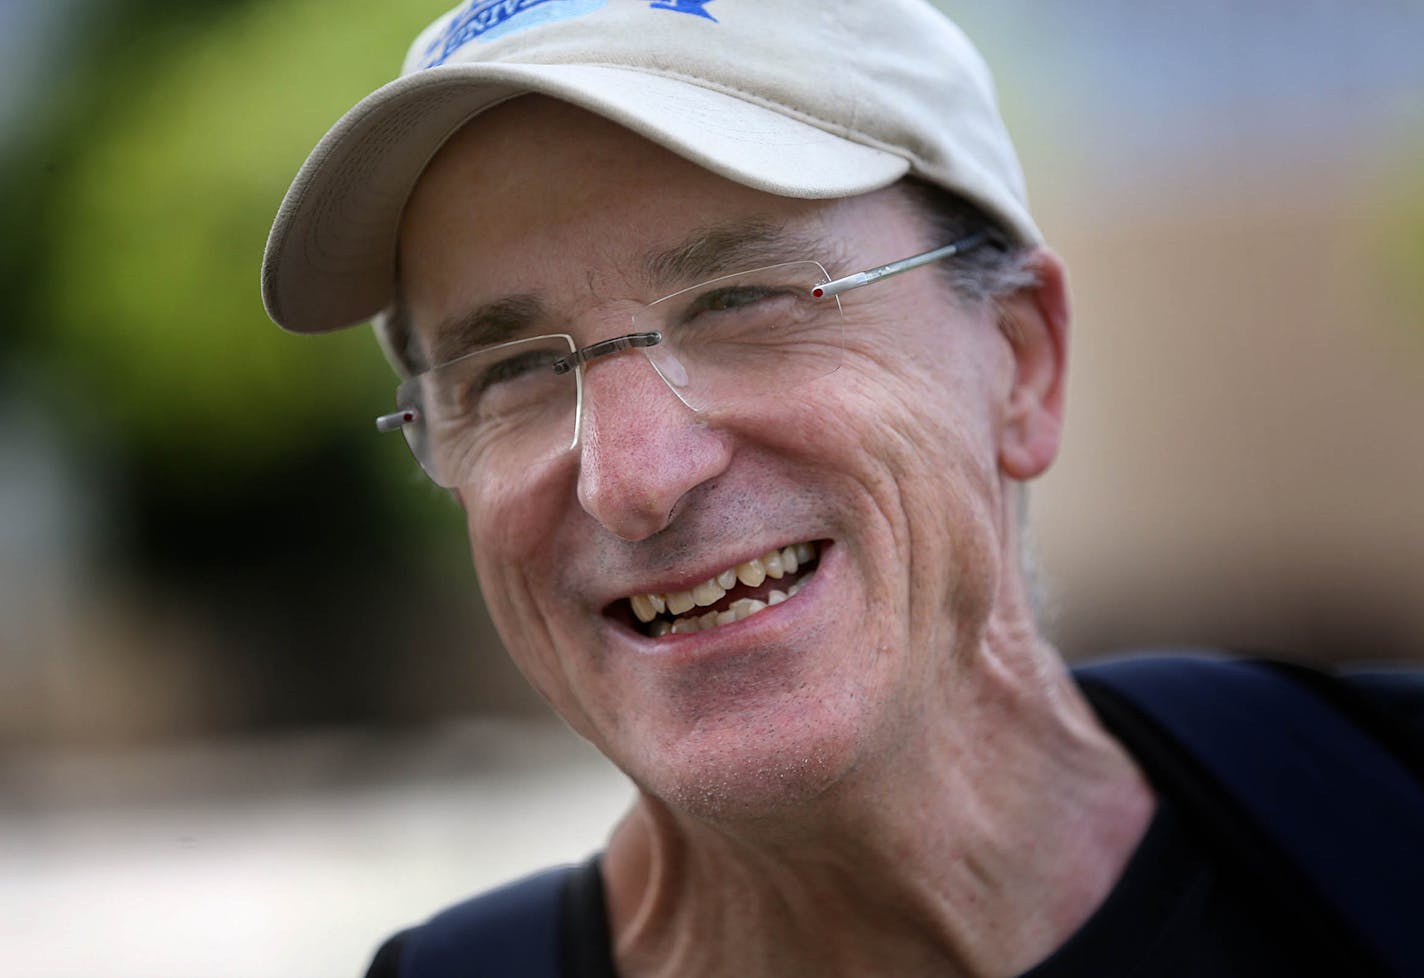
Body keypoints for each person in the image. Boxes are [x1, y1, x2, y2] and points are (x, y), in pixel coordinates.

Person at [261, 2, 1424, 975]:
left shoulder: (1380, 816)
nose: (635, 478)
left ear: (1019, 363)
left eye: (742, 302)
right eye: (510, 371)